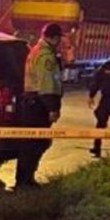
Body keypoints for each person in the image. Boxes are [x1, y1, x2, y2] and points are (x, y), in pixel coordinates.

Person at [15, 22, 63, 189]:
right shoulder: (46, 55)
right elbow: (47, 83)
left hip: (32, 103)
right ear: (55, 38)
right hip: (38, 105)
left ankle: (24, 180)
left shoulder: (37, 50)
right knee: (35, 144)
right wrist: (52, 108)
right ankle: (25, 181)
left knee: (31, 144)